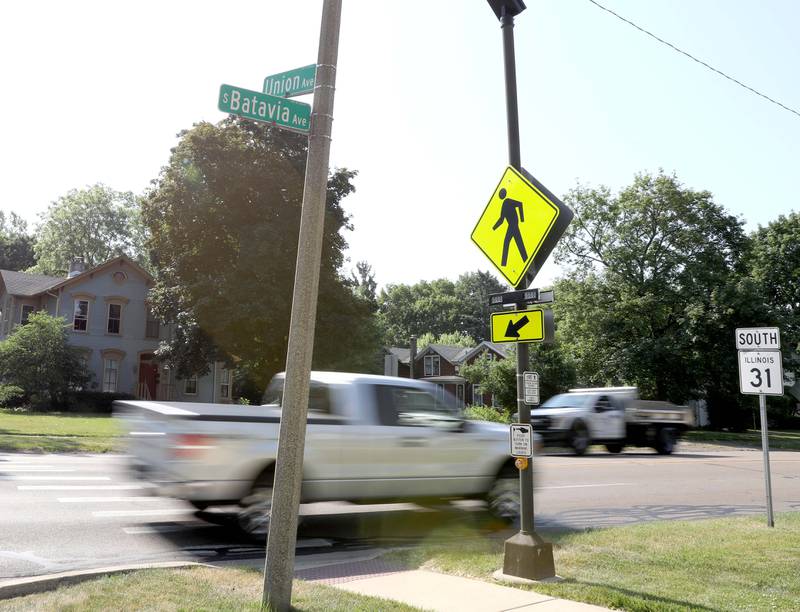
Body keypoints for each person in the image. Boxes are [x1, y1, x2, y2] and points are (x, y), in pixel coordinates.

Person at [492, 188, 527, 266]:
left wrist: (522, 219)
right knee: (519, 243)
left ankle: (503, 264)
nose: (500, 195)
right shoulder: (504, 204)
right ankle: (525, 259)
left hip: (513, 225)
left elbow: (520, 204)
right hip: (512, 225)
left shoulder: (507, 201)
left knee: (507, 242)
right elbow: (501, 219)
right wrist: (493, 228)